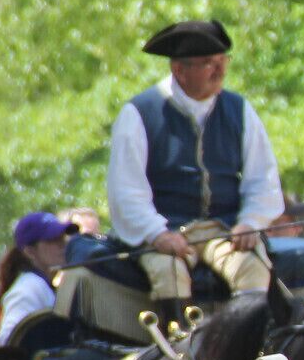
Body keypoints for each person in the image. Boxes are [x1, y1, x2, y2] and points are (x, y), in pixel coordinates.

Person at [105, 17, 284, 304]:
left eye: (223, 60)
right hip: (167, 231)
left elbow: (262, 178)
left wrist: (250, 222)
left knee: (253, 267)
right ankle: (176, 347)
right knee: (169, 272)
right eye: (209, 62)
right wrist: (156, 234)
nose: (220, 69)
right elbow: (126, 190)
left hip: (223, 230)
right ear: (179, 69)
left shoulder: (240, 110)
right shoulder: (139, 113)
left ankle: (248, 344)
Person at [0, 211, 72, 345]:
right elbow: (7, 341)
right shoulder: (28, 288)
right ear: (30, 251)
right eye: (52, 239)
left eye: (62, 237)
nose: (62, 244)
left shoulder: (40, 284)